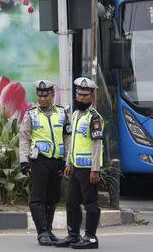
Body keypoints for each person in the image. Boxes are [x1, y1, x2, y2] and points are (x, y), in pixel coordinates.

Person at [19, 80, 71, 246]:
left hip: (56, 161)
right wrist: (24, 162)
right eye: (39, 95)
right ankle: (42, 232)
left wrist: (66, 161)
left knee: (53, 197)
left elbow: (68, 138)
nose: (41, 98)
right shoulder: (31, 114)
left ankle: (48, 230)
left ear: (52, 95)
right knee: (38, 198)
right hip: (38, 161)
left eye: (45, 95)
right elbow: (24, 138)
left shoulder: (62, 114)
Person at [54, 77, 104, 249]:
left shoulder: (94, 118)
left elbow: (97, 145)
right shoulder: (75, 115)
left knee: (90, 202)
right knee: (71, 201)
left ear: (92, 96)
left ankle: (91, 238)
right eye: (79, 95)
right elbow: (72, 142)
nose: (81, 98)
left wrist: (95, 169)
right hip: (76, 168)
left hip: (88, 168)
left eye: (85, 95)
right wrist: (68, 163)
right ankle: (73, 235)